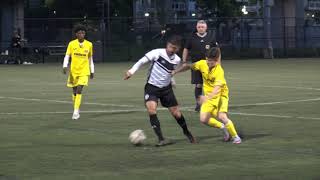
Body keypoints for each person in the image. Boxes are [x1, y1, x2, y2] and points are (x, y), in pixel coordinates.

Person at [124, 35, 196, 146]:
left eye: (175, 48)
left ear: (178, 49)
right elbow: (141, 61)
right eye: (170, 46)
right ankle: (161, 139)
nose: (172, 49)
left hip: (166, 89)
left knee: (176, 113)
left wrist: (172, 80)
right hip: (152, 87)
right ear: (167, 45)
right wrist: (131, 71)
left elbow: (170, 72)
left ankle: (187, 132)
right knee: (152, 110)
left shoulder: (177, 60)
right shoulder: (157, 52)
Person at [173, 47, 242, 144]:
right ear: (206, 58)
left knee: (222, 116)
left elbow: (217, 89)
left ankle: (236, 138)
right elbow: (189, 66)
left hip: (221, 95)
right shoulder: (202, 63)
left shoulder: (219, 71)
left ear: (217, 60)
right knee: (203, 119)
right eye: (208, 60)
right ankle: (224, 128)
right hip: (209, 95)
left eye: (212, 62)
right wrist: (175, 71)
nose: (209, 63)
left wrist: (206, 98)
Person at [182, 20, 219, 112]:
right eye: (199, 27)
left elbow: (217, 50)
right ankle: (199, 104)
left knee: (211, 84)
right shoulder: (191, 38)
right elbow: (186, 49)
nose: (200, 28)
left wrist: (218, 62)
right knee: (199, 85)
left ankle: (212, 103)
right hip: (196, 65)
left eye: (202, 27)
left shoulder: (211, 37)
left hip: (209, 66)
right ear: (196, 28)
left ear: (206, 28)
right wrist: (184, 61)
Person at [62, 25, 94, 120]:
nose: (81, 34)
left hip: (84, 71)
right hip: (73, 71)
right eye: (79, 33)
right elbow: (67, 56)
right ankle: (77, 106)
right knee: (74, 91)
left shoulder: (89, 44)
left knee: (79, 89)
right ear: (76, 34)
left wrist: (92, 70)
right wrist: (65, 65)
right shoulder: (71, 44)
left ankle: (75, 111)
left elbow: (90, 58)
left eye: (83, 33)